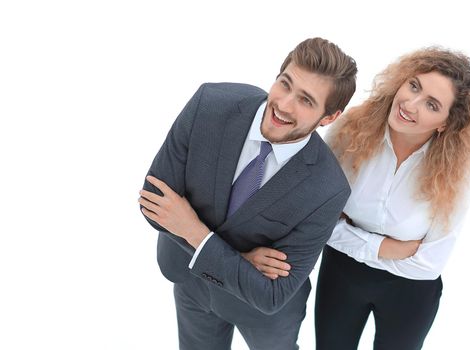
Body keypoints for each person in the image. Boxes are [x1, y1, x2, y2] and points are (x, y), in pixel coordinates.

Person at [248, 47, 470, 349]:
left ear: (445, 122)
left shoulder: (456, 170)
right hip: (341, 276)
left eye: (431, 104)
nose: (410, 104)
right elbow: (314, 219)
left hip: (410, 292)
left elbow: (428, 264)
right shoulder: (351, 130)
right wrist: (390, 248)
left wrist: (348, 232)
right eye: (413, 86)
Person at [138, 37, 357, 350]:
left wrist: (195, 232)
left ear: (329, 117)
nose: (283, 104)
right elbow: (152, 202)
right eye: (285, 84)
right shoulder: (210, 103)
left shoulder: (327, 189)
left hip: (262, 318)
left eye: (306, 100)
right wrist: (239, 259)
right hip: (189, 283)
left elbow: (271, 294)